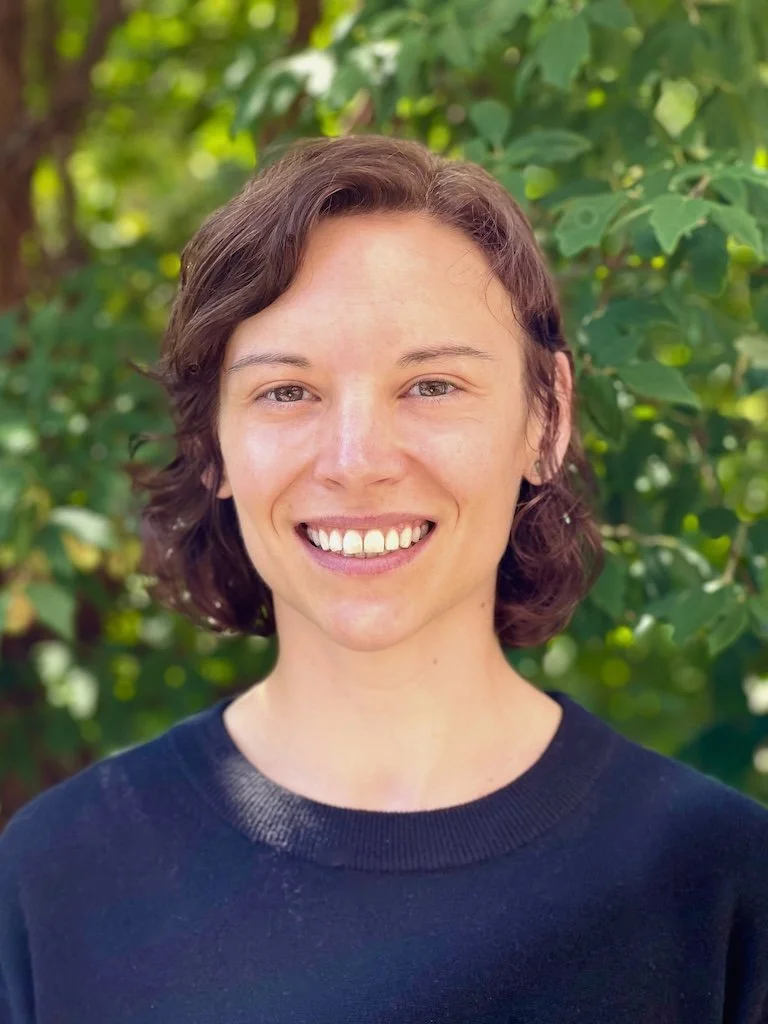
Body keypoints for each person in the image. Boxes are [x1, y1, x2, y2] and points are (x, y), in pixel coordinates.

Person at [1, 134, 766, 1024]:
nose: (357, 461)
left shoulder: (719, 887)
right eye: (287, 392)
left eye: (432, 386)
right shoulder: (59, 879)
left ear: (544, 419)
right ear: (212, 442)